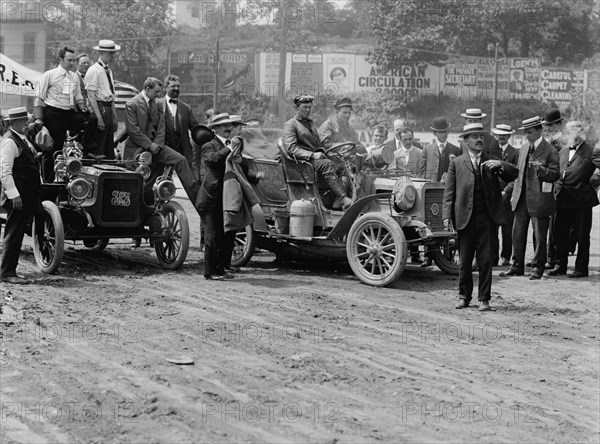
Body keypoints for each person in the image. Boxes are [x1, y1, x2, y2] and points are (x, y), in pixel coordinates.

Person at [442, 123, 518, 311]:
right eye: (474, 137)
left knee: (485, 261)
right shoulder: (457, 163)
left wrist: (501, 164)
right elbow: (449, 192)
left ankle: (484, 299)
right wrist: (446, 216)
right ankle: (464, 297)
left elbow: (514, 173)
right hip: (464, 219)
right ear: (466, 141)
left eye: (481, 136)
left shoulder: (492, 160)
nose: (479, 140)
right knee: (465, 261)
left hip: (487, 219)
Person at [123, 77, 200, 204]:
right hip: (137, 149)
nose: (159, 94)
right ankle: (135, 206)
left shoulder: (156, 103)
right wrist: (149, 145)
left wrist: (157, 145)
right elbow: (133, 130)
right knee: (140, 182)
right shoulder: (132, 104)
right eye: (156, 92)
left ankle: (199, 201)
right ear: (147, 89)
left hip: (158, 147)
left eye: (159, 92)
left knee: (180, 160)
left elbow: (161, 127)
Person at [500, 116, 560, 280]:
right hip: (521, 199)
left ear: (539, 131)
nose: (527, 135)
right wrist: (508, 191)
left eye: (530, 132)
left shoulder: (550, 151)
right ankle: (516, 266)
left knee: (540, 237)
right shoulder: (524, 148)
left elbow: (555, 175)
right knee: (517, 234)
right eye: (525, 132)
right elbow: (518, 175)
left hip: (540, 200)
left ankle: (538, 268)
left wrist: (541, 171)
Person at [34, 46, 95, 182]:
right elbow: (39, 97)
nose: (72, 63)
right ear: (60, 59)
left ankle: (87, 151)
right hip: (53, 114)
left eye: (74, 60)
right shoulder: (49, 75)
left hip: (69, 113)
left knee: (91, 119)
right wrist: (39, 119)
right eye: (69, 60)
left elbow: (78, 97)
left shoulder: (74, 77)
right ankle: (48, 182)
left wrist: (83, 107)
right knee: (52, 150)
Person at [547, 121, 600, 278]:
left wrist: (593, 182)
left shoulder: (592, 151)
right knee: (560, 234)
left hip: (582, 200)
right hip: (563, 199)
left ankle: (581, 268)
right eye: (570, 133)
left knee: (582, 236)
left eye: (577, 133)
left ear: (582, 133)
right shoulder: (563, 150)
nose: (574, 136)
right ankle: (559, 265)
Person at [283, 95, 352, 210]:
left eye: (310, 107)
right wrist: (312, 154)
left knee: (342, 166)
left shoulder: (311, 125)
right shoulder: (291, 124)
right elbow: (291, 148)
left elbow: (319, 145)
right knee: (327, 164)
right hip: (302, 164)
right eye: (305, 107)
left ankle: (336, 203)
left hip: (314, 162)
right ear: (296, 108)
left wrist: (332, 154)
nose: (308, 110)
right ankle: (343, 198)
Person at [0, 107, 43, 284]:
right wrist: (14, 196)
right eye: (24, 122)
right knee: (14, 231)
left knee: (39, 216)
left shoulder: (21, 138)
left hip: (28, 193)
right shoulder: (9, 142)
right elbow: (4, 171)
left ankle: (43, 255)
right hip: (18, 195)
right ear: (14, 123)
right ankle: (7, 272)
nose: (27, 125)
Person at [196, 113, 238, 280]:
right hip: (211, 198)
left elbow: (239, 164)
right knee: (212, 236)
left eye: (229, 125)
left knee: (223, 235)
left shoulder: (231, 144)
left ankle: (220, 270)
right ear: (215, 129)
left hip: (224, 197)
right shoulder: (209, 145)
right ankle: (209, 272)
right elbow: (212, 160)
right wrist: (229, 149)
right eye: (223, 126)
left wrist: (255, 176)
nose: (228, 128)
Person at [85, 40, 122, 160]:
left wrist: (114, 116)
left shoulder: (108, 71)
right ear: (101, 52)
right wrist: (99, 118)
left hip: (108, 107)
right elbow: (91, 96)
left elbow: (110, 95)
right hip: (100, 107)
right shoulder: (93, 70)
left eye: (113, 53)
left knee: (108, 143)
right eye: (109, 53)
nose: (112, 56)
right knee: (100, 143)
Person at [159, 74, 200, 177]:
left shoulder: (186, 108)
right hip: (162, 147)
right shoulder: (156, 104)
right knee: (159, 178)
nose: (176, 89)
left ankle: (195, 193)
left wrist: (208, 133)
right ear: (165, 88)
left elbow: (195, 128)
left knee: (190, 179)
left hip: (182, 149)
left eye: (178, 86)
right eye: (173, 86)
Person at [490, 124, 519, 266]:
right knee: (492, 229)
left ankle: (506, 257)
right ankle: (493, 257)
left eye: (504, 135)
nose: (501, 137)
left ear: (509, 136)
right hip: (493, 195)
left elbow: (516, 176)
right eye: (498, 134)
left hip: (507, 197)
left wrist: (506, 191)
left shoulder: (515, 153)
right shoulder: (491, 152)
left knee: (507, 230)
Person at [541, 107, 565, 268]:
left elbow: (561, 168)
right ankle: (546, 258)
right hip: (546, 187)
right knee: (546, 225)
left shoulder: (563, 143)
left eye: (551, 125)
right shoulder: (548, 142)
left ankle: (555, 259)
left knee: (557, 226)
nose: (548, 128)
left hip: (558, 187)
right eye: (547, 125)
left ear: (559, 125)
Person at [419, 117, 461, 181]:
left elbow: (459, 172)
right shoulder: (427, 150)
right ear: (435, 133)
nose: (444, 135)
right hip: (431, 188)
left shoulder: (456, 150)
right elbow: (422, 173)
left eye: (445, 132)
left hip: (449, 188)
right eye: (441, 132)